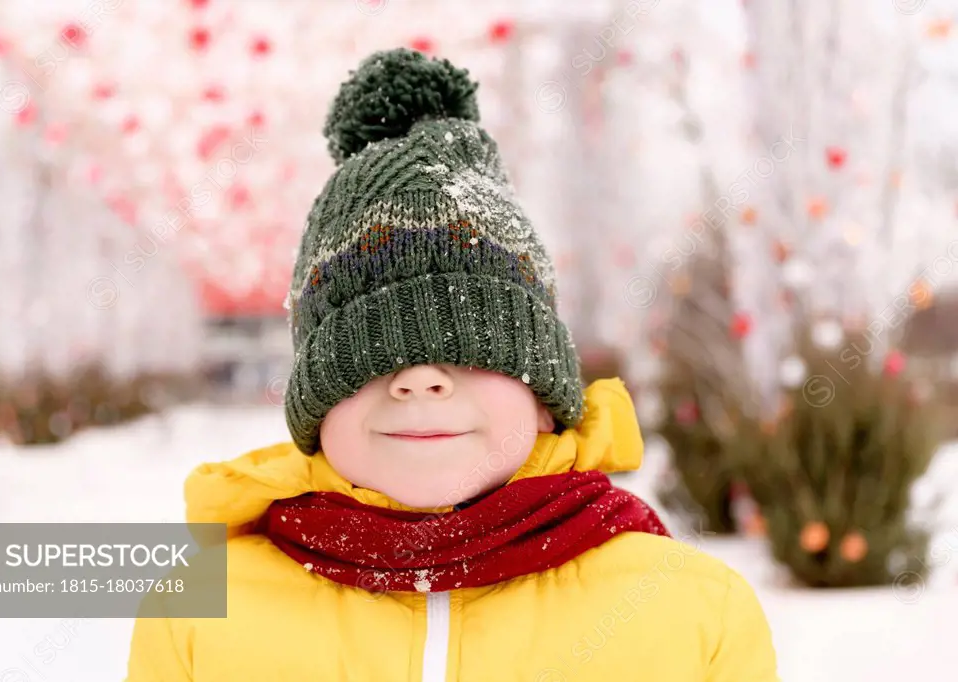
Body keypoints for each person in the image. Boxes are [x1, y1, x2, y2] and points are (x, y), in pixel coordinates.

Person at [125, 47, 779, 682]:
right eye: (365, 356)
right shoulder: (200, 614)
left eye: (472, 346)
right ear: (316, 404)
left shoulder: (690, 613)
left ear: (545, 393)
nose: (418, 378)